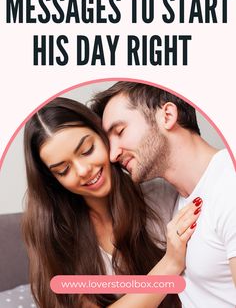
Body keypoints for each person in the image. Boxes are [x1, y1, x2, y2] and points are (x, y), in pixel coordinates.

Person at [23, 97, 201, 308]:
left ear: (103, 136)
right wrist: (170, 265)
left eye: (87, 150)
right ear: (52, 180)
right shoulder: (54, 230)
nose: (83, 171)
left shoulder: (161, 194)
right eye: (63, 170)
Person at [91, 81, 236, 308]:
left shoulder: (229, 186)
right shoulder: (172, 200)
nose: (112, 155)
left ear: (167, 115)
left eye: (120, 132)